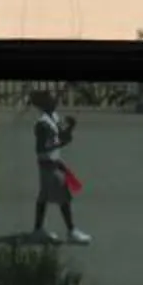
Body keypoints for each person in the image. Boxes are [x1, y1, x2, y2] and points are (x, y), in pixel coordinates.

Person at [30, 89, 88, 243]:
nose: (55, 101)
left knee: (43, 197)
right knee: (64, 197)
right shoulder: (42, 124)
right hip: (49, 165)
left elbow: (61, 136)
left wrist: (70, 128)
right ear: (43, 104)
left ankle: (38, 230)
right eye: (51, 99)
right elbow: (42, 147)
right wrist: (61, 142)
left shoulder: (54, 117)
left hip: (53, 163)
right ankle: (71, 231)